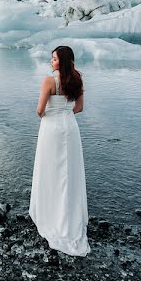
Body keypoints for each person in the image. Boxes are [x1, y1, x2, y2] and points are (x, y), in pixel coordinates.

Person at [29, 45, 90, 257]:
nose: (51, 62)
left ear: (62, 61)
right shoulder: (78, 79)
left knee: (51, 171)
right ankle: (70, 216)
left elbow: (39, 110)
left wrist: (52, 114)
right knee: (69, 173)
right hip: (70, 127)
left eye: (54, 59)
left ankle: (51, 215)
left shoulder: (48, 81)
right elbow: (79, 108)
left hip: (51, 128)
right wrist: (65, 112)